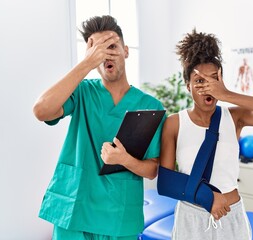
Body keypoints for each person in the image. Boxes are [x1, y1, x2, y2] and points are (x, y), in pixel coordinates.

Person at [33, 15, 164, 240]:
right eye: (97, 50)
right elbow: (41, 110)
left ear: (126, 50)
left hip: (120, 216)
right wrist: (85, 64)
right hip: (75, 208)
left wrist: (124, 160)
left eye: (111, 46)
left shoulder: (150, 106)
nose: (106, 55)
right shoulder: (82, 92)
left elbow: (152, 169)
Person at [158, 29, 253, 240]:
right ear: (188, 86)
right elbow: (166, 183)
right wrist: (207, 197)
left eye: (213, 80)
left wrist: (228, 95)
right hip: (190, 219)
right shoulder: (174, 123)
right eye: (199, 81)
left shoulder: (234, 117)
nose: (207, 88)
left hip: (231, 217)